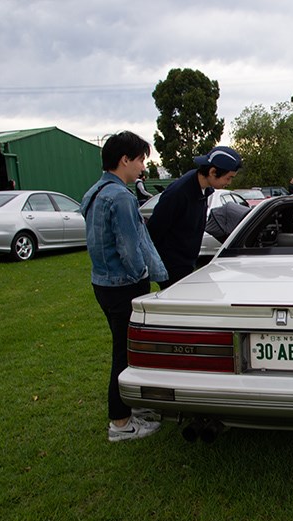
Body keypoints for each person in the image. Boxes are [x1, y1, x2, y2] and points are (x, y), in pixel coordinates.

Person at [79, 131, 168, 442]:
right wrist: (143, 274)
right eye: (141, 159)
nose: (143, 167)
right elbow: (130, 249)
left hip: (102, 283)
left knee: (126, 351)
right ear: (124, 159)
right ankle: (120, 423)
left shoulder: (95, 191)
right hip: (123, 287)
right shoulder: (120, 196)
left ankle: (132, 411)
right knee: (125, 353)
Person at [147, 146, 242, 289]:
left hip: (188, 262)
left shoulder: (205, 190)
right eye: (228, 178)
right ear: (212, 172)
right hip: (173, 266)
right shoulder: (178, 193)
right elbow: (154, 230)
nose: (229, 183)